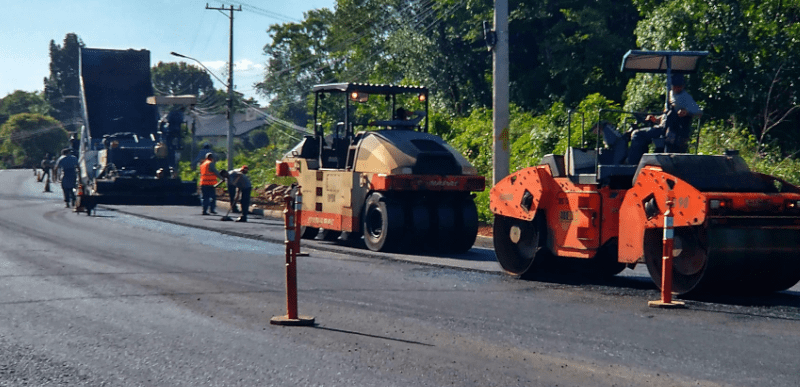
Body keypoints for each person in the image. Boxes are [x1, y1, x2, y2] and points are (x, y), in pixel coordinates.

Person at [627, 73, 702, 165]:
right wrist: (656, 119)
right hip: (663, 126)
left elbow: (699, 112)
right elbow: (667, 114)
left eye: (679, 86)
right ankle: (640, 161)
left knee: (637, 134)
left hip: (671, 130)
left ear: (683, 86)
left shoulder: (685, 97)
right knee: (637, 134)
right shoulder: (670, 94)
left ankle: (632, 164)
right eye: (675, 86)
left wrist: (686, 111)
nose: (677, 88)